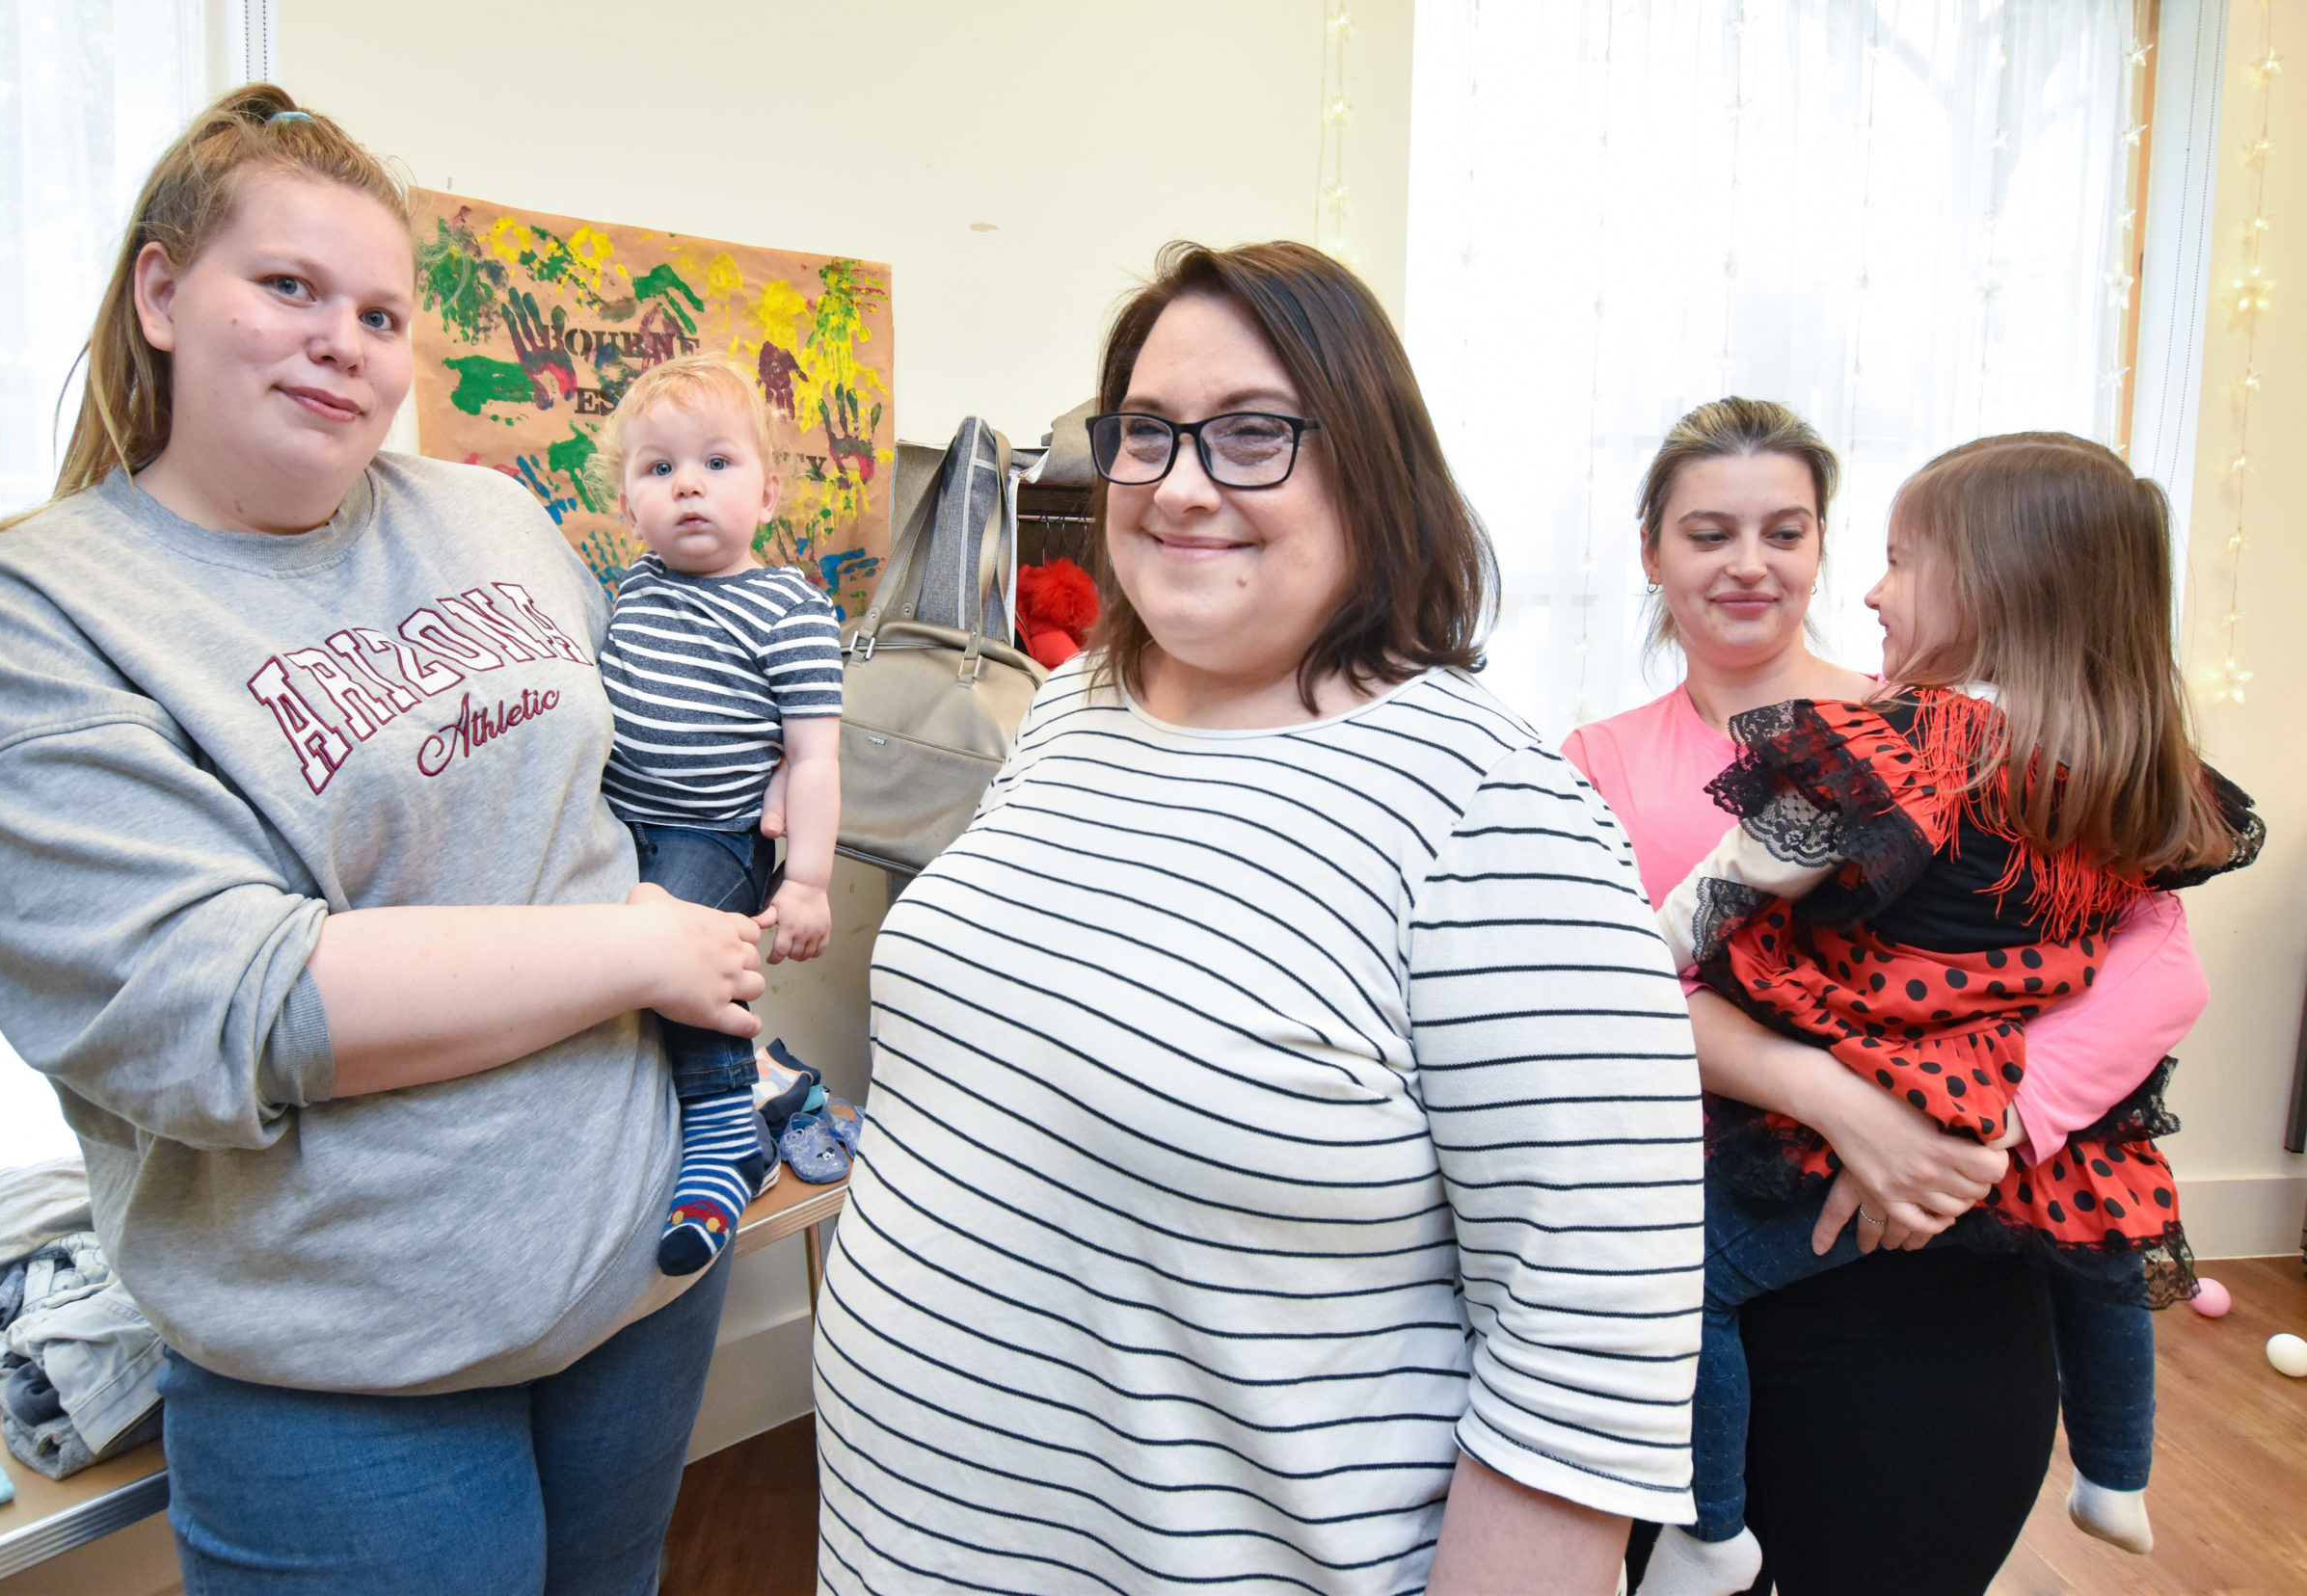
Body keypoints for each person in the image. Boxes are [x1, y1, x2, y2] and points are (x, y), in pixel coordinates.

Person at [0, 87, 765, 1595]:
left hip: (640, 1277)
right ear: (165, 294)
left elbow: (610, 794)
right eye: (290, 287)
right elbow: (230, 1008)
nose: (342, 341)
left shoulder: (490, 516)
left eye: (380, 312)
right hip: (349, 1363)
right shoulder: (36, 615)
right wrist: (642, 944)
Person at [811, 240, 1705, 1595]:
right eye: (1147, 435)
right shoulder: (1071, 717)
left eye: (1251, 437)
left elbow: (1578, 1386)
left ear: (1374, 468)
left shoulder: (1497, 817)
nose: (1178, 484)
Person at [1565, 399, 2219, 1596]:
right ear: (1649, 554)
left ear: (1827, 545)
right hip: (1683, 1254)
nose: (1749, 563)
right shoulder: (1589, 764)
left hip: (1930, 1265)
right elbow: (1595, 999)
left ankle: (2110, 1465)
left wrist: (1977, 1135)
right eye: (1708, 533)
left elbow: (2158, 967)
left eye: (1787, 529)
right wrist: (1839, 1100)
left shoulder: (1943, 733)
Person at [592, 350, 844, 1274]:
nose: (687, 486)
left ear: (769, 495)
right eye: (659, 470)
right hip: (622, 828)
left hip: (718, 838)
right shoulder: (631, 593)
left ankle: (723, 1131)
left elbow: (814, 755)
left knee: (664, 942)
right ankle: (767, 1079)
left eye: (717, 463)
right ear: (628, 506)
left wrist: (810, 878)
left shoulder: (789, 609)